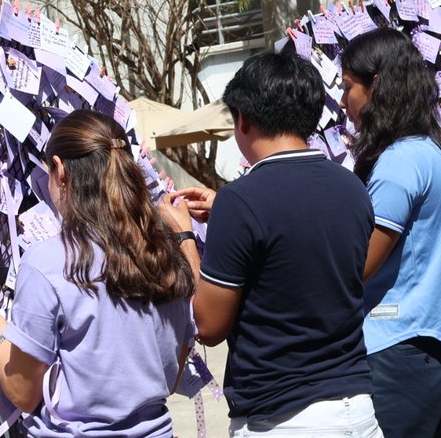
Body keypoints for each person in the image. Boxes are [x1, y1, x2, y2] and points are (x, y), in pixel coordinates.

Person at [160, 50, 383, 437]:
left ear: (243, 118)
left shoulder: (242, 200)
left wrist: (183, 238)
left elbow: (209, 325)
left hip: (284, 418)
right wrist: (227, 213)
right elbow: (299, 245)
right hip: (357, 408)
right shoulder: (352, 188)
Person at [0, 109, 196, 437]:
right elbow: (172, 375)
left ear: (60, 171)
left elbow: (24, 393)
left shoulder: (46, 261)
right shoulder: (164, 252)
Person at [339, 28, 441, 437]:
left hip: (397, 349)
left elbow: (358, 266)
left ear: (376, 86)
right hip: (428, 349)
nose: (342, 102)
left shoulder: (399, 162)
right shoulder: (428, 150)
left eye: (348, 87)